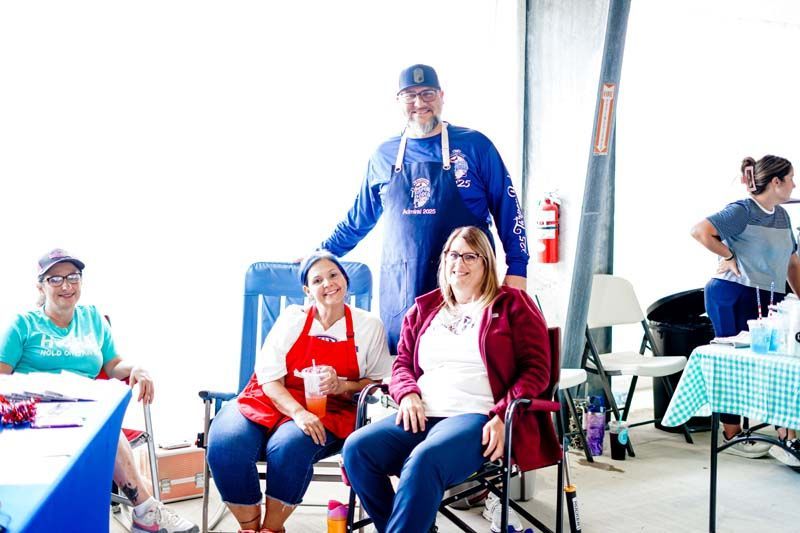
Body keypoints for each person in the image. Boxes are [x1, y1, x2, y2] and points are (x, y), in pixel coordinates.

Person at [342, 226, 560, 533]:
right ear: (444, 261)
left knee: (424, 460)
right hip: (420, 413)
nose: (460, 262)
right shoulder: (424, 309)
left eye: (471, 255)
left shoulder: (512, 304)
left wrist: (501, 415)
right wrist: (407, 394)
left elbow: (538, 370)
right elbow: (402, 363)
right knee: (357, 449)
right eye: (453, 254)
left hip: (476, 417)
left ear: (487, 263)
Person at [319, 63, 529, 353]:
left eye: (428, 93)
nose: (420, 103)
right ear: (398, 101)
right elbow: (358, 219)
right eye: (410, 95)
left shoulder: (475, 146)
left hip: (467, 286)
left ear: (442, 96)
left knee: (471, 368)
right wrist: (321, 254)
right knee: (406, 372)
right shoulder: (384, 155)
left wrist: (518, 268)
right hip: (403, 292)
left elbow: (508, 208)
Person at [0, 249, 198, 533]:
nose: (66, 286)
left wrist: (135, 369)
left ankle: (144, 511)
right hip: (36, 415)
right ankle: (146, 510)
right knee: (104, 428)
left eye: (73, 277)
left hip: (84, 410)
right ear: (40, 285)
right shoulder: (23, 324)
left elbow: (114, 364)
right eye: (55, 279)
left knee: (103, 424)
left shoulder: (93, 319)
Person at [206, 251, 391, 533]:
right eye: (318, 280)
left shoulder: (368, 326)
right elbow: (268, 378)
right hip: (270, 396)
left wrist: (342, 385)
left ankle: (272, 528)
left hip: (330, 409)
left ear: (345, 279)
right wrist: (298, 412)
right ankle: (249, 527)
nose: (328, 283)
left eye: (333, 275)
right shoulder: (293, 318)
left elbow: (376, 382)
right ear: (307, 290)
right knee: (226, 445)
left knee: (289, 448)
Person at [691, 155, 800, 461]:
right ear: (776, 182)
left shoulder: (781, 217)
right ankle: (732, 433)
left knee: (777, 361)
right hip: (731, 293)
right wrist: (727, 254)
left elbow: (792, 262)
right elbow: (700, 231)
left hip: (768, 296)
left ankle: (785, 435)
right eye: (791, 178)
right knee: (732, 361)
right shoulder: (742, 210)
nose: (794, 184)